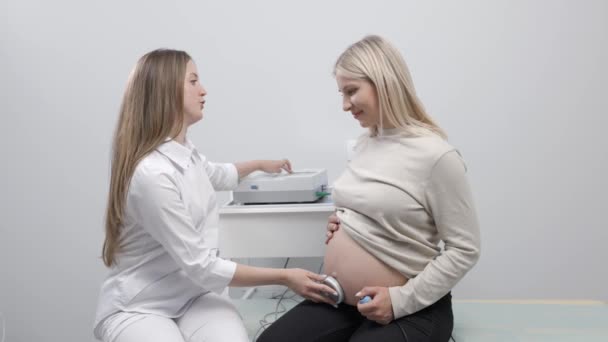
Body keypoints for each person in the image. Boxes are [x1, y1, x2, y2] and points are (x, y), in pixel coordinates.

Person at [93, 49, 336, 342]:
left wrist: (260, 165)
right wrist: (285, 277)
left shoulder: (185, 154)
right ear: (166, 91)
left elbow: (218, 174)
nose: (203, 90)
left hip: (195, 297)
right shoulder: (152, 175)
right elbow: (202, 266)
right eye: (193, 81)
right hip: (141, 306)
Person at [258, 35, 481, 342]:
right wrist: (344, 222)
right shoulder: (366, 144)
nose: (345, 105)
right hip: (342, 300)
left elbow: (464, 249)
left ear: (383, 82)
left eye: (351, 91)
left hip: (414, 307)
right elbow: (377, 204)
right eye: (341, 93)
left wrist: (399, 301)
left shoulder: (436, 156)